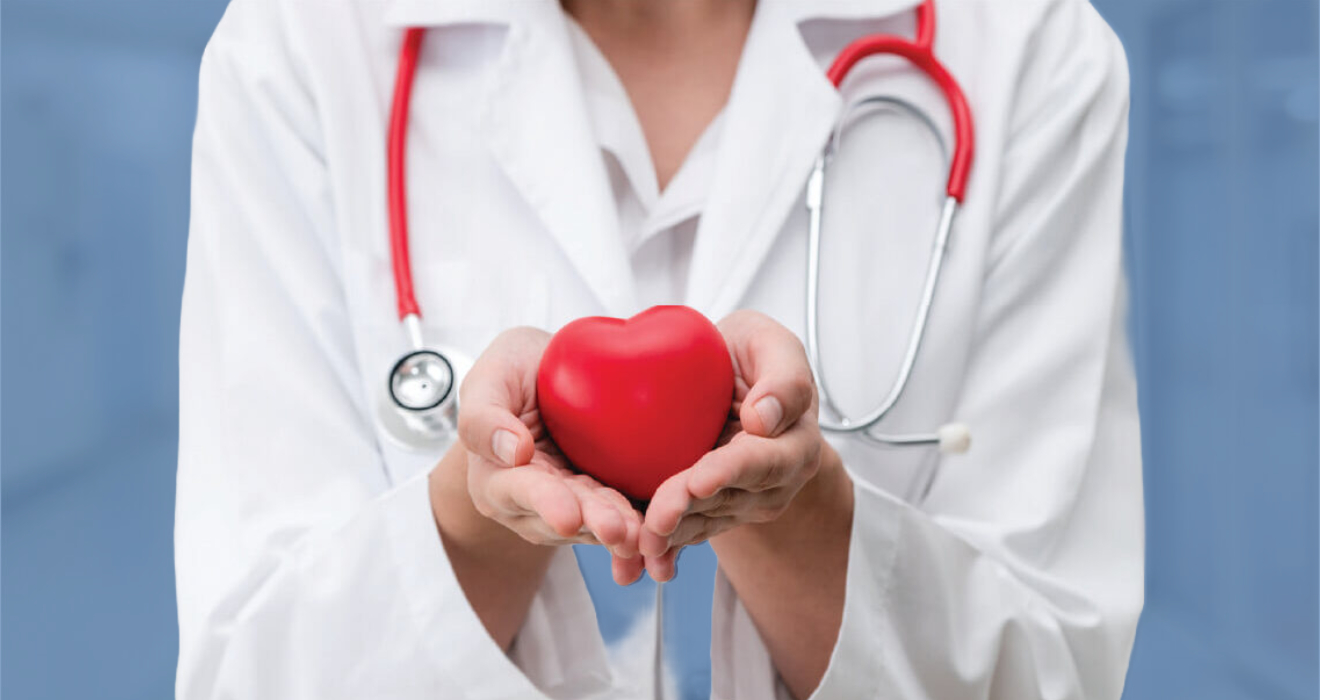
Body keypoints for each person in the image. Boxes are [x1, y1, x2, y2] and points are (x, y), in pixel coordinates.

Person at [176, 0, 1143, 698]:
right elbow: (248, 673)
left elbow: (1055, 672)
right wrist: (476, 512)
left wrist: (794, 510)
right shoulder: (299, 45)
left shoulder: (1029, 47)